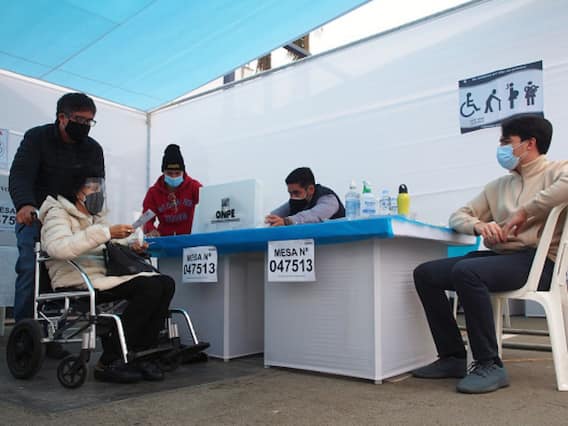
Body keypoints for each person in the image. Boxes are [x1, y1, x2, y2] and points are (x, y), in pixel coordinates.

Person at [412, 115, 568, 394]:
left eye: (507, 142)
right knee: (426, 274)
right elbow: (458, 216)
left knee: (467, 272)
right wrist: (480, 226)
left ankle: (489, 364)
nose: (501, 148)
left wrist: (525, 212)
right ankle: (453, 356)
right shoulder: (498, 186)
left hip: (538, 262)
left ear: (530, 144)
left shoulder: (557, 171)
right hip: (501, 259)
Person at [38, 172, 175, 383]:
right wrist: (106, 233)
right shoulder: (56, 214)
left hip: (102, 277)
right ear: (75, 191)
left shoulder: (96, 216)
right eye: (91, 188)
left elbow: (108, 243)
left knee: (165, 283)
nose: (97, 193)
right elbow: (59, 248)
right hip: (76, 280)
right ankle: (109, 360)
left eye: (99, 188)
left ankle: (143, 353)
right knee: (150, 288)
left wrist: (132, 244)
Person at [9, 92, 105, 358]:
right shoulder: (36, 138)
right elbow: (20, 175)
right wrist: (25, 205)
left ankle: (53, 336)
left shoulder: (93, 149)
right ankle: (24, 337)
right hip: (36, 218)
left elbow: (95, 187)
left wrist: (92, 210)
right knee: (31, 270)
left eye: (89, 121)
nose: (84, 126)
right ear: (62, 118)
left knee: (65, 277)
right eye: (79, 120)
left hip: (70, 222)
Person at [143, 144, 201, 236]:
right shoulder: (153, 193)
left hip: (190, 239)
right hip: (165, 240)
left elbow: (207, 210)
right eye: (169, 173)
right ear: (163, 172)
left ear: (183, 172)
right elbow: (145, 219)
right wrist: (150, 230)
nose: (174, 176)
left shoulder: (194, 187)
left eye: (177, 173)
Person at [265, 167, 345, 226]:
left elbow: (314, 216)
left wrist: (287, 221)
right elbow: (274, 216)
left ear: (310, 189)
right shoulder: (296, 201)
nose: (292, 197)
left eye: (296, 192)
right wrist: (270, 220)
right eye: (290, 193)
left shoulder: (328, 199)